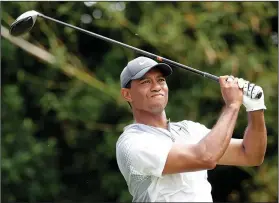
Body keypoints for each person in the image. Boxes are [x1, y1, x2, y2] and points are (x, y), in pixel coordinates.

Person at [116, 56, 267, 202]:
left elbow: (250, 155)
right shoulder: (132, 143)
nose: (156, 87)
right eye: (145, 82)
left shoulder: (190, 129)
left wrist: (255, 108)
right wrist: (233, 105)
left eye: (160, 80)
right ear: (127, 94)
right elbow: (205, 157)